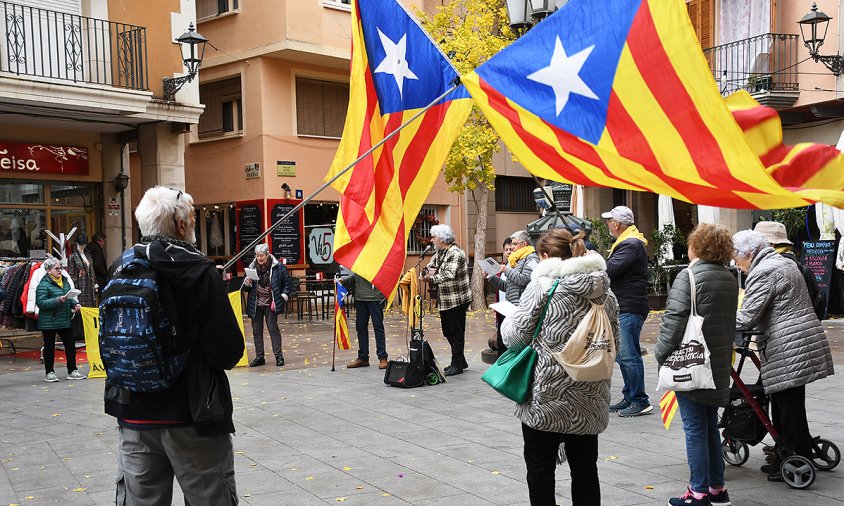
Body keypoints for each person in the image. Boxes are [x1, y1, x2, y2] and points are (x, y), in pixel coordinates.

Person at [106, 186, 244, 504]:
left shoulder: (120, 266)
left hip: (133, 416)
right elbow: (228, 352)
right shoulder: (198, 271)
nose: (193, 224)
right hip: (193, 416)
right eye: (193, 219)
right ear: (181, 225)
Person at [501, 228, 619, 506]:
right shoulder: (605, 293)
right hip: (589, 393)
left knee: (540, 467)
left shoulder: (542, 287)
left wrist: (509, 319)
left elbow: (515, 337)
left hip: (546, 395)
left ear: (545, 256)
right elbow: (616, 343)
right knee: (586, 468)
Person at [732, 229, 834, 482]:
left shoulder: (764, 271)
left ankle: (796, 456)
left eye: (737, 257)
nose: (736, 263)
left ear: (750, 253)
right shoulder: (782, 262)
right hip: (799, 339)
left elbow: (746, 317)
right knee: (786, 401)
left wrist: (711, 322)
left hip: (788, 344)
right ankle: (788, 453)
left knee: (788, 405)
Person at [654, 224, 737, 506]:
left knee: (695, 428)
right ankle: (717, 489)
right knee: (709, 425)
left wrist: (661, 354)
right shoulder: (729, 277)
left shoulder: (688, 276)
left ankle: (698, 492)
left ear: (696, 246)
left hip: (691, 363)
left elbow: (673, 321)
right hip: (717, 362)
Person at [602, 205, 652, 417]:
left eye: (609, 220)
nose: (607, 224)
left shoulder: (630, 244)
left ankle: (640, 400)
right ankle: (630, 395)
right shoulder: (628, 242)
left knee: (629, 355)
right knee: (623, 355)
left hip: (629, 306)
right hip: (626, 305)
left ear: (617, 224)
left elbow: (610, 270)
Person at [423, 224, 472, 376]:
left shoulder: (455, 252)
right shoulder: (439, 253)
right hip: (445, 299)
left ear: (442, 239)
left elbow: (449, 273)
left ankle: (457, 364)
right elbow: (431, 266)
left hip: (457, 299)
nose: (431, 240)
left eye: (434, 237)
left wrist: (431, 278)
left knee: (456, 332)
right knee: (447, 331)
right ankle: (461, 360)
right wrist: (425, 273)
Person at [754, 221, 826, 320]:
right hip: (803, 324)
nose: (753, 248)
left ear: (771, 244)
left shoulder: (773, 267)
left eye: (756, 244)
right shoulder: (793, 262)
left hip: (783, 329)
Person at [242, 243, 293, 367]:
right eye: (257, 255)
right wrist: (247, 283)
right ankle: (260, 356)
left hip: (271, 303)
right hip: (256, 304)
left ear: (267, 254)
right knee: (256, 331)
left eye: (262, 256)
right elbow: (245, 288)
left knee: (273, 329)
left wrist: (283, 296)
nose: (259, 258)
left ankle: (279, 356)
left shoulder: (278, 267)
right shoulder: (252, 267)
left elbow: (288, 284)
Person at [35, 257, 84, 382]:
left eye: (61, 268)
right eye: (56, 268)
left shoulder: (65, 281)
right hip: (49, 321)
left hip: (64, 318)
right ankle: (49, 372)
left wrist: (74, 304)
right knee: (49, 347)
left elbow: (69, 297)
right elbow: (41, 303)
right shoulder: (43, 284)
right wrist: (58, 300)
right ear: (48, 270)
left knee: (70, 345)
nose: (60, 271)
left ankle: (72, 370)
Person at [342, 271, 389, 369]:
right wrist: (342, 281)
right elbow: (356, 274)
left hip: (375, 298)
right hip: (360, 298)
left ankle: (382, 357)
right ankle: (363, 358)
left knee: (378, 327)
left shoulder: (377, 262)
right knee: (361, 327)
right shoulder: (361, 261)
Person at [491, 237, 516, 357]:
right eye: (506, 249)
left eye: (511, 249)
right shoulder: (503, 266)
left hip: (512, 309)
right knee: (501, 340)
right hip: (501, 308)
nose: (508, 252)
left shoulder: (517, 267)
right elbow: (501, 287)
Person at [67, 233, 97, 308]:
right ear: (77, 243)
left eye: (84, 244)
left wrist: (95, 284)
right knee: (81, 308)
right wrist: (75, 288)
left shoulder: (88, 255)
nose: (83, 245)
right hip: (80, 286)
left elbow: (92, 270)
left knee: (90, 307)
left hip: (90, 285)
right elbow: (71, 274)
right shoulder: (73, 257)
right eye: (81, 244)